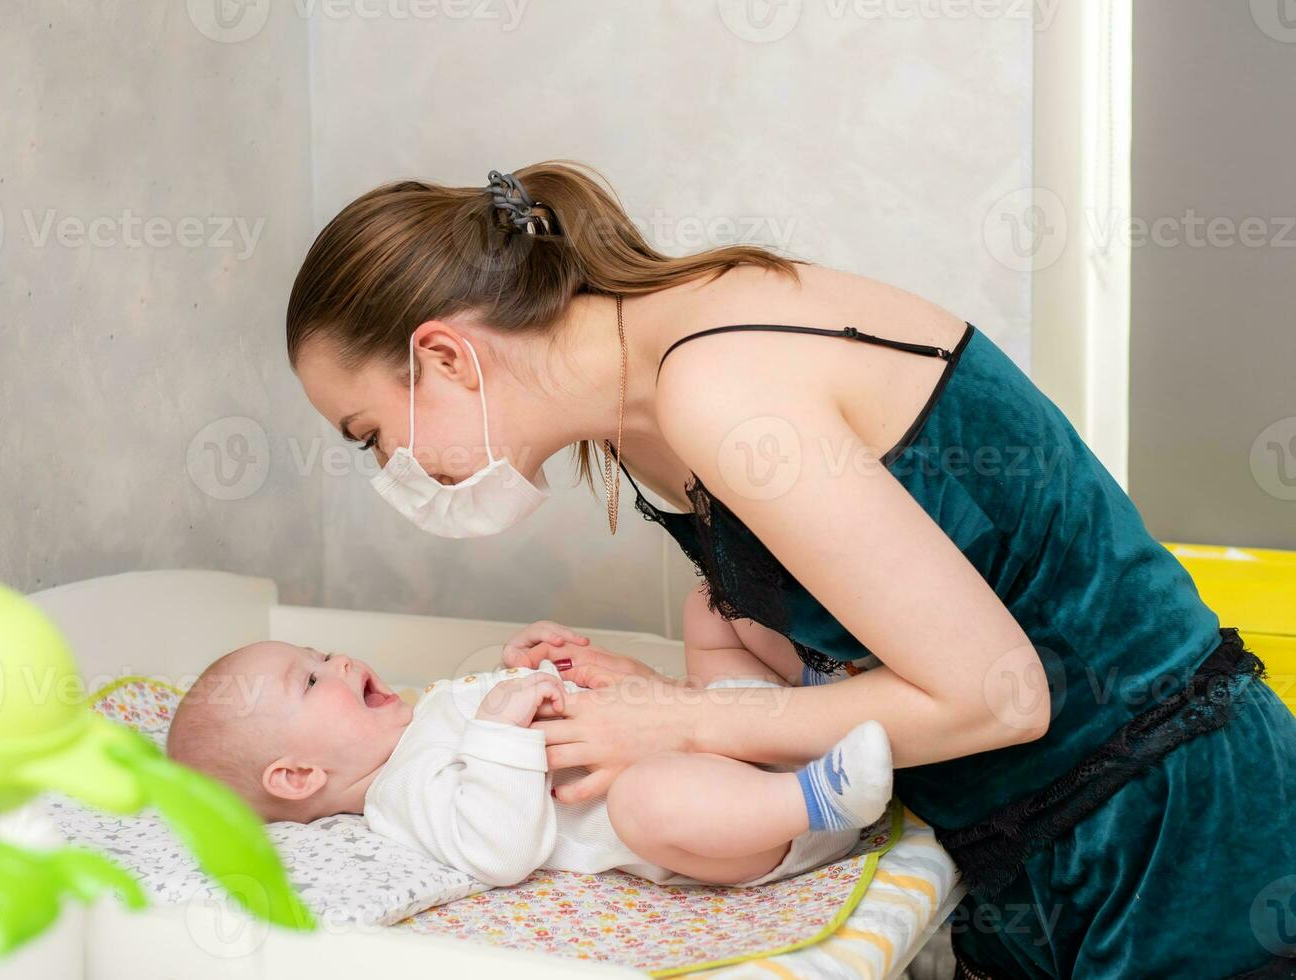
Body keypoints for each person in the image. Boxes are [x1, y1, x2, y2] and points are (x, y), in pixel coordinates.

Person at [283, 161, 1296, 977]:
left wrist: (685, 720)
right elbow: (853, 649)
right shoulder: (646, 412)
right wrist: (672, 699)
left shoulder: (716, 386)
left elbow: (999, 696)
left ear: (448, 357)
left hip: (1170, 833)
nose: (396, 473)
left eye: (373, 433)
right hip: (1025, 838)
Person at [165, 635, 890, 888]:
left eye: (320, 652)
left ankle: (819, 695)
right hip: (732, 823)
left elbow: (509, 700)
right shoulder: (397, 796)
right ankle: (821, 801)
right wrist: (503, 731)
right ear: (299, 777)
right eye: (314, 678)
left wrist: (537, 661)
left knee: (711, 609)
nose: (340, 659)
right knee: (646, 803)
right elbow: (499, 849)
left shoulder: (423, 713)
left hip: (723, 732)